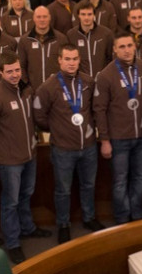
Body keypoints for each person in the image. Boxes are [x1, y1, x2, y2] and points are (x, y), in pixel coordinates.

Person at [0, 51, 51, 264]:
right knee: (10, 202)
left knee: (26, 194)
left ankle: (27, 228)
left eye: (17, 70)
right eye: (9, 71)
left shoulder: (26, 90)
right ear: (0, 72)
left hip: (30, 155)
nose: (14, 75)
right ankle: (12, 242)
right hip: (9, 161)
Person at [33, 44, 103, 243]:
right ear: (60, 61)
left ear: (79, 60)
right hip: (62, 149)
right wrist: (56, 128)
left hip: (88, 146)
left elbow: (95, 109)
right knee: (63, 190)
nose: (71, 63)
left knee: (89, 185)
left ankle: (89, 218)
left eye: (74, 59)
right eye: (67, 59)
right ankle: (63, 224)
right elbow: (39, 115)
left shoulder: (88, 82)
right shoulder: (48, 87)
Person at [93, 31, 142, 224]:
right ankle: (122, 217)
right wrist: (104, 140)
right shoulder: (106, 75)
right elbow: (99, 109)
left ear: (135, 46)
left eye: (129, 46)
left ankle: (136, 213)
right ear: (114, 50)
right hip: (118, 139)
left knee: (140, 177)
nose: (127, 50)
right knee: (120, 181)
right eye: (122, 47)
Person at [17, 6, 69, 89]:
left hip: (57, 89)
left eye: (45, 16)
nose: (42, 20)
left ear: (49, 18)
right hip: (34, 90)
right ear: (33, 18)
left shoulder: (61, 39)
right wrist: (27, 86)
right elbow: (21, 65)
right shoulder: (25, 40)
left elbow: (66, 64)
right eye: (39, 17)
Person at [66, 0, 113, 79]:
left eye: (89, 14)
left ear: (94, 15)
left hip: (102, 79)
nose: (86, 17)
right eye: (83, 14)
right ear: (78, 15)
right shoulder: (71, 35)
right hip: (80, 81)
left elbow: (110, 58)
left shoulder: (106, 33)